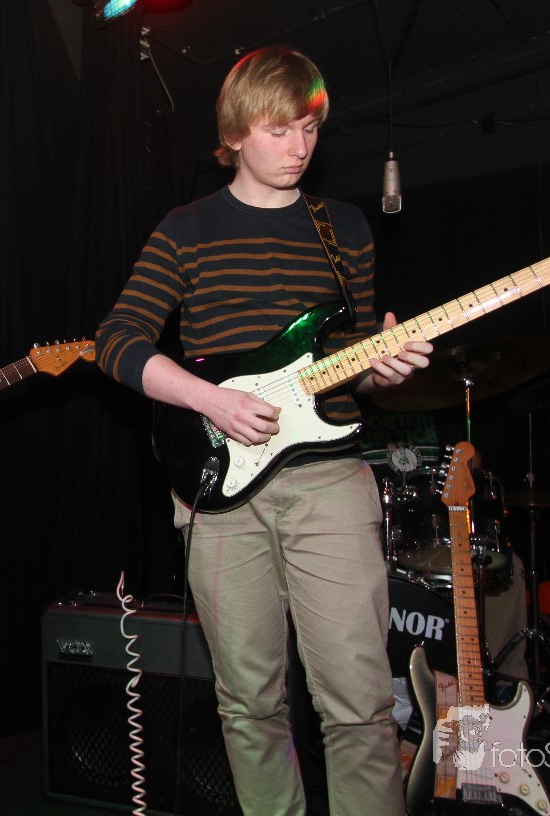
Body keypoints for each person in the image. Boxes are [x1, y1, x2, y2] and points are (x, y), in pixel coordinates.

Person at [95, 46, 433, 815]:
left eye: (309, 129)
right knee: (249, 702)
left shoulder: (344, 226)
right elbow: (116, 341)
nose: (298, 147)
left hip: (330, 480)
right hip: (220, 487)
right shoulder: (186, 228)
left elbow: (351, 363)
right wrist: (208, 400)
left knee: (359, 700)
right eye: (279, 130)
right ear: (235, 133)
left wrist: (382, 369)